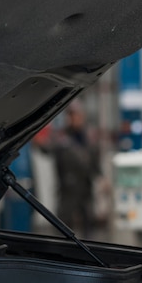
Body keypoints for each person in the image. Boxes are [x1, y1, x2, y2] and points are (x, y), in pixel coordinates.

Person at [52, 100, 102, 238]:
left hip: (85, 186)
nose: (77, 119)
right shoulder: (63, 138)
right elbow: (55, 157)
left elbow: (93, 160)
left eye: (79, 116)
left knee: (88, 222)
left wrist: (100, 177)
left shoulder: (88, 136)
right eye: (73, 116)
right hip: (68, 187)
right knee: (65, 223)